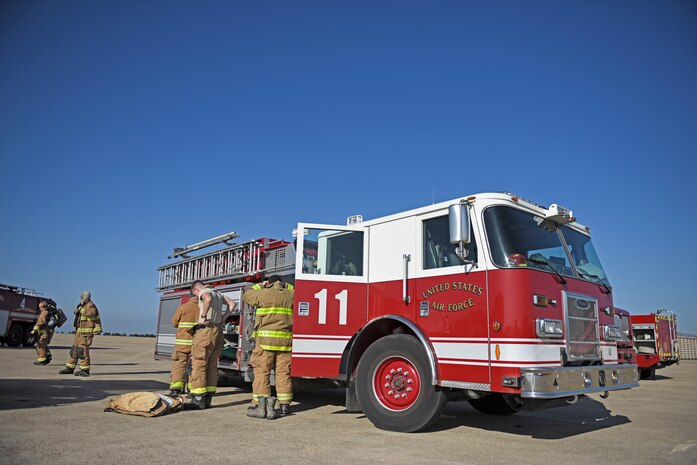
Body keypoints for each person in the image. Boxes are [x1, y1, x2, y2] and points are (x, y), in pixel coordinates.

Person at [243, 275, 294, 419]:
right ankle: (284, 405)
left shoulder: (263, 293)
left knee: (262, 373)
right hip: (285, 341)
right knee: (283, 373)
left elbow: (246, 296)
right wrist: (286, 286)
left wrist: (260, 285)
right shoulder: (291, 293)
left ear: (268, 283)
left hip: (265, 341)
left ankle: (261, 405)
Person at [186, 281, 236, 409]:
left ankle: (198, 400)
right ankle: (208, 398)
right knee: (212, 365)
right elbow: (232, 303)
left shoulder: (204, 292)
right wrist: (224, 318)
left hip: (206, 330)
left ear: (196, 290)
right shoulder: (218, 294)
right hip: (217, 330)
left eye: (195, 294)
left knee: (199, 363)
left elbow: (207, 299)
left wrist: (203, 315)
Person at [59, 291, 102, 377]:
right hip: (79, 331)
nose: (81, 298)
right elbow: (75, 312)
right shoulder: (82, 305)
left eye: (83, 296)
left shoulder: (91, 305)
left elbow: (91, 313)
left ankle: (85, 370)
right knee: (74, 350)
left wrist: (82, 310)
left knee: (83, 351)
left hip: (86, 333)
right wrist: (78, 309)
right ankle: (70, 368)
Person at [168, 295, 199, 395]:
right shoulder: (203, 308)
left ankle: (176, 389)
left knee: (179, 365)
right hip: (196, 344)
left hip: (182, 344)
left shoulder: (183, 307)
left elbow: (174, 323)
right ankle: (191, 390)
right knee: (194, 367)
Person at [31, 301, 54, 365]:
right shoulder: (49, 312)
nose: (39, 309)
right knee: (44, 345)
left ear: (42, 306)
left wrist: (34, 330)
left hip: (44, 332)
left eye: (40, 307)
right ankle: (48, 356)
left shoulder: (43, 313)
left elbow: (40, 323)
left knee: (40, 346)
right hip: (49, 332)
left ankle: (42, 360)